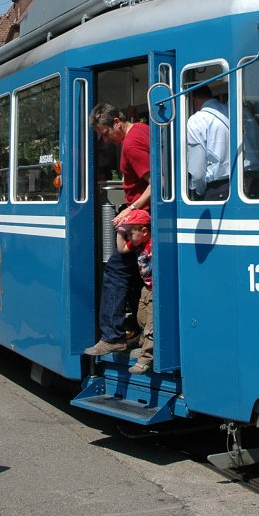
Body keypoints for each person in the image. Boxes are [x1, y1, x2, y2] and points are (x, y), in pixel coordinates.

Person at [85, 103, 150, 356]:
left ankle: (112, 336)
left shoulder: (132, 145)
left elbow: (156, 182)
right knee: (134, 275)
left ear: (116, 123)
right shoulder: (143, 130)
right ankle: (138, 330)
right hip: (141, 219)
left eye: (105, 133)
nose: (105, 139)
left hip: (139, 220)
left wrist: (129, 209)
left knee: (115, 272)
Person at [116, 209, 153, 375]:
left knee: (152, 326)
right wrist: (121, 230)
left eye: (130, 233)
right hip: (146, 288)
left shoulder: (153, 243)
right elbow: (122, 248)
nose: (128, 238)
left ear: (144, 231)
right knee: (141, 318)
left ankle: (146, 359)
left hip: (155, 289)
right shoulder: (137, 242)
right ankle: (142, 341)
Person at [186, 86, 230, 200]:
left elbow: (197, 172)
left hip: (217, 189)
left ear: (194, 101)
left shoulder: (196, 120)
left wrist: (199, 192)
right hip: (250, 181)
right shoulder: (238, 111)